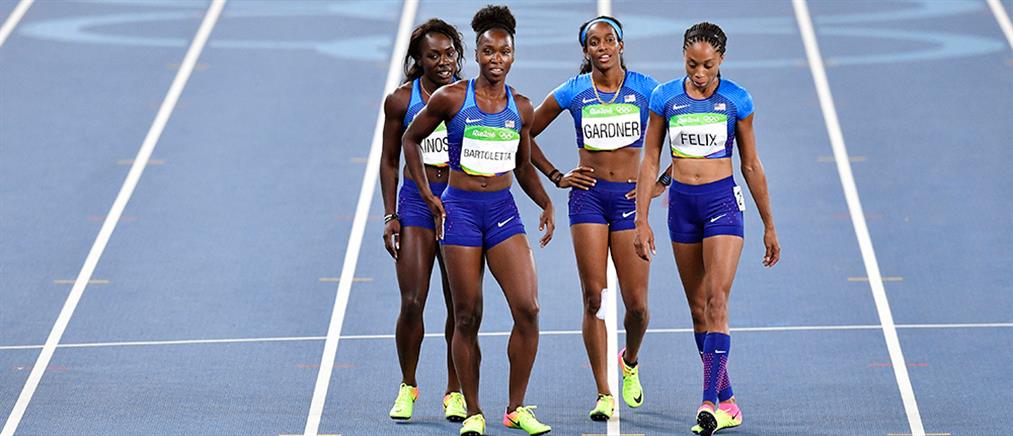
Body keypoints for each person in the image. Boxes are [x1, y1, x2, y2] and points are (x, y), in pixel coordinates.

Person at [402, 5, 555, 436]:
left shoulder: (521, 107)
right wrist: (428, 194)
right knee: (467, 315)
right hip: (461, 213)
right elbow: (411, 140)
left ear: (513, 55)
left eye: (503, 52)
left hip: (503, 212)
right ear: (477, 54)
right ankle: (472, 411)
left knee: (528, 308)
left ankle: (516, 407)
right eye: (488, 51)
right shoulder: (452, 98)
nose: (495, 59)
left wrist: (545, 201)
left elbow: (522, 165)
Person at [632, 22, 781, 436]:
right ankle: (728, 401)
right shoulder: (665, 98)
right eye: (692, 64)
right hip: (681, 207)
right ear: (683, 56)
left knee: (717, 301)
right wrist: (641, 219)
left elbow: (751, 164)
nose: (699, 74)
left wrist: (769, 224)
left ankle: (708, 404)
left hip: (722, 206)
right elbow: (650, 160)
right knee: (698, 310)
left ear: (722, 60)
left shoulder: (736, 100)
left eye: (708, 66)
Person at [526, 15, 666, 421]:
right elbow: (522, 131)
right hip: (588, 199)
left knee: (637, 307)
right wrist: (556, 175)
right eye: (593, 42)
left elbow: (683, 125)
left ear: (621, 45)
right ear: (585, 50)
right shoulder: (573, 91)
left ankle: (630, 361)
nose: (602, 47)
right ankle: (604, 392)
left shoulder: (647, 89)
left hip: (629, 201)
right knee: (594, 298)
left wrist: (661, 182)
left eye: (608, 40)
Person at [379, 18, 468, 422]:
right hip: (416, 203)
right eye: (434, 55)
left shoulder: (469, 96)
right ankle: (408, 384)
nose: (444, 61)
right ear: (418, 59)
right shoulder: (401, 101)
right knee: (413, 301)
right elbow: (389, 161)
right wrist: (390, 215)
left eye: (449, 54)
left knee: (460, 305)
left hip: (458, 204)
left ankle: (455, 391)